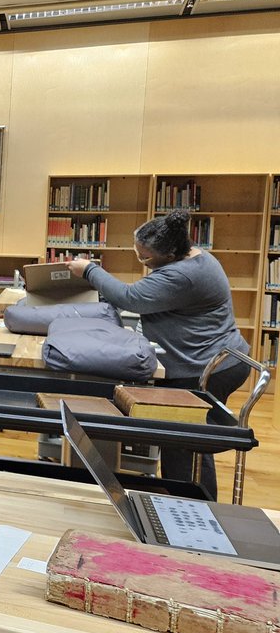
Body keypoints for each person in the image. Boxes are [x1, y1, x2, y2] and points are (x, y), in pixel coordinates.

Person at [68, 209, 251, 500]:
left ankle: (194, 508)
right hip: (216, 358)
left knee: (182, 442)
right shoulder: (194, 256)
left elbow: (132, 298)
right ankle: (189, 502)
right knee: (186, 440)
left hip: (205, 368)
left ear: (168, 255)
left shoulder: (183, 274)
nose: (142, 261)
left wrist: (89, 270)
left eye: (145, 258)